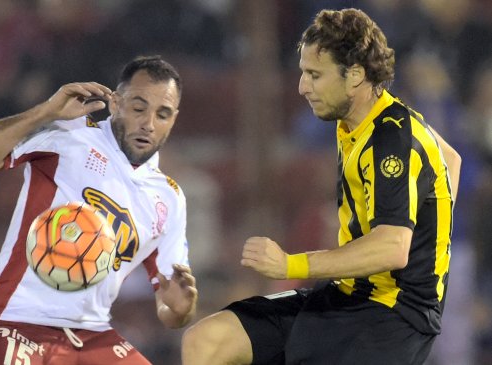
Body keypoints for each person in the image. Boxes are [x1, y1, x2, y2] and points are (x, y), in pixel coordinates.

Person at [182, 8, 461, 365]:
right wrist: (431, 230)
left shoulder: (391, 139)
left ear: (355, 75)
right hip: (345, 296)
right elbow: (449, 160)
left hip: (391, 316)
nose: (302, 87)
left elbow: (393, 248)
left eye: (314, 75)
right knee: (207, 340)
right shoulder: (365, 119)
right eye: (302, 73)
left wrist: (291, 265)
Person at [0, 55, 197, 364]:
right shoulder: (70, 137)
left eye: (162, 114)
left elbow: (170, 310)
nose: (149, 124)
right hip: (14, 319)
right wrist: (44, 112)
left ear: (173, 119)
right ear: (116, 103)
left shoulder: (170, 198)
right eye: (138, 108)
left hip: (89, 336)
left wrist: (179, 308)